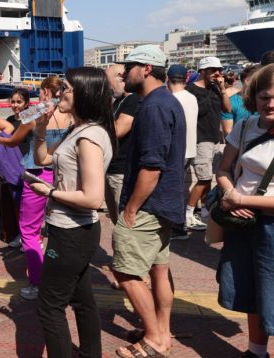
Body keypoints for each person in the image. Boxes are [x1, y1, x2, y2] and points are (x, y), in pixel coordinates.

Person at [30, 67, 115, 358]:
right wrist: (40, 129)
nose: (60, 93)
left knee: (49, 306)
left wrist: (50, 192)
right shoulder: (76, 130)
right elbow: (43, 158)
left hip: (72, 231)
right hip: (72, 228)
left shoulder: (89, 137)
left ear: (84, 93)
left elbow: (93, 197)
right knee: (82, 299)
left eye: (65, 88)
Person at [112, 45, 186, 358]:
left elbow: (152, 166)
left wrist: (131, 208)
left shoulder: (154, 107)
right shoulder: (165, 101)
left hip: (149, 205)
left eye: (128, 66)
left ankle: (154, 339)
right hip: (165, 202)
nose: (123, 73)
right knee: (158, 269)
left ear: (146, 69)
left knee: (126, 272)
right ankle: (163, 333)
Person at [0, 77, 72, 301]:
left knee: (29, 230)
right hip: (62, 173)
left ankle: (37, 282)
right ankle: (65, 281)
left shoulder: (37, 112)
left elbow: (13, 137)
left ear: (45, 91)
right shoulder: (72, 112)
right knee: (61, 228)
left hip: (37, 174)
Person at [215, 63, 274, 358]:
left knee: (271, 293)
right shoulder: (246, 126)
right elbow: (223, 169)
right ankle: (256, 351)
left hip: (270, 226)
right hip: (242, 224)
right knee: (250, 288)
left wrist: (241, 201)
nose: (270, 104)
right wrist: (229, 194)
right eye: (265, 97)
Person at [185, 56, 231, 230]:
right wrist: (210, 91)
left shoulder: (216, 88)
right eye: (212, 70)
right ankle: (188, 214)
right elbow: (199, 111)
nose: (217, 73)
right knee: (204, 178)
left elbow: (227, 109)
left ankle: (203, 210)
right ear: (202, 71)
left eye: (219, 70)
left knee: (209, 178)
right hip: (200, 138)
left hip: (215, 138)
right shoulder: (191, 90)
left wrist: (222, 89)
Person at [105, 63, 139, 227]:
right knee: (116, 221)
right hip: (110, 169)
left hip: (121, 171)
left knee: (124, 223)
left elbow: (118, 130)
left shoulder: (133, 100)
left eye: (107, 81)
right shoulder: (118, 101)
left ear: (120, 77)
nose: (107, 86)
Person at [167, 64, 198, 240]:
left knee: (173, 190)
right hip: (189, 150)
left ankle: (178, 228)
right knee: (177, 189)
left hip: (176, 152)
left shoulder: (171, 99)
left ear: (168, 79)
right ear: (186, 78)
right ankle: (178, 226)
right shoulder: (191, 97)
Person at [221, 64, 260, 136]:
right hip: (241, 141)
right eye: (259, 80)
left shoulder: (264, 100)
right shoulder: (230, 103)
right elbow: (228, 132)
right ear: (247, 81)